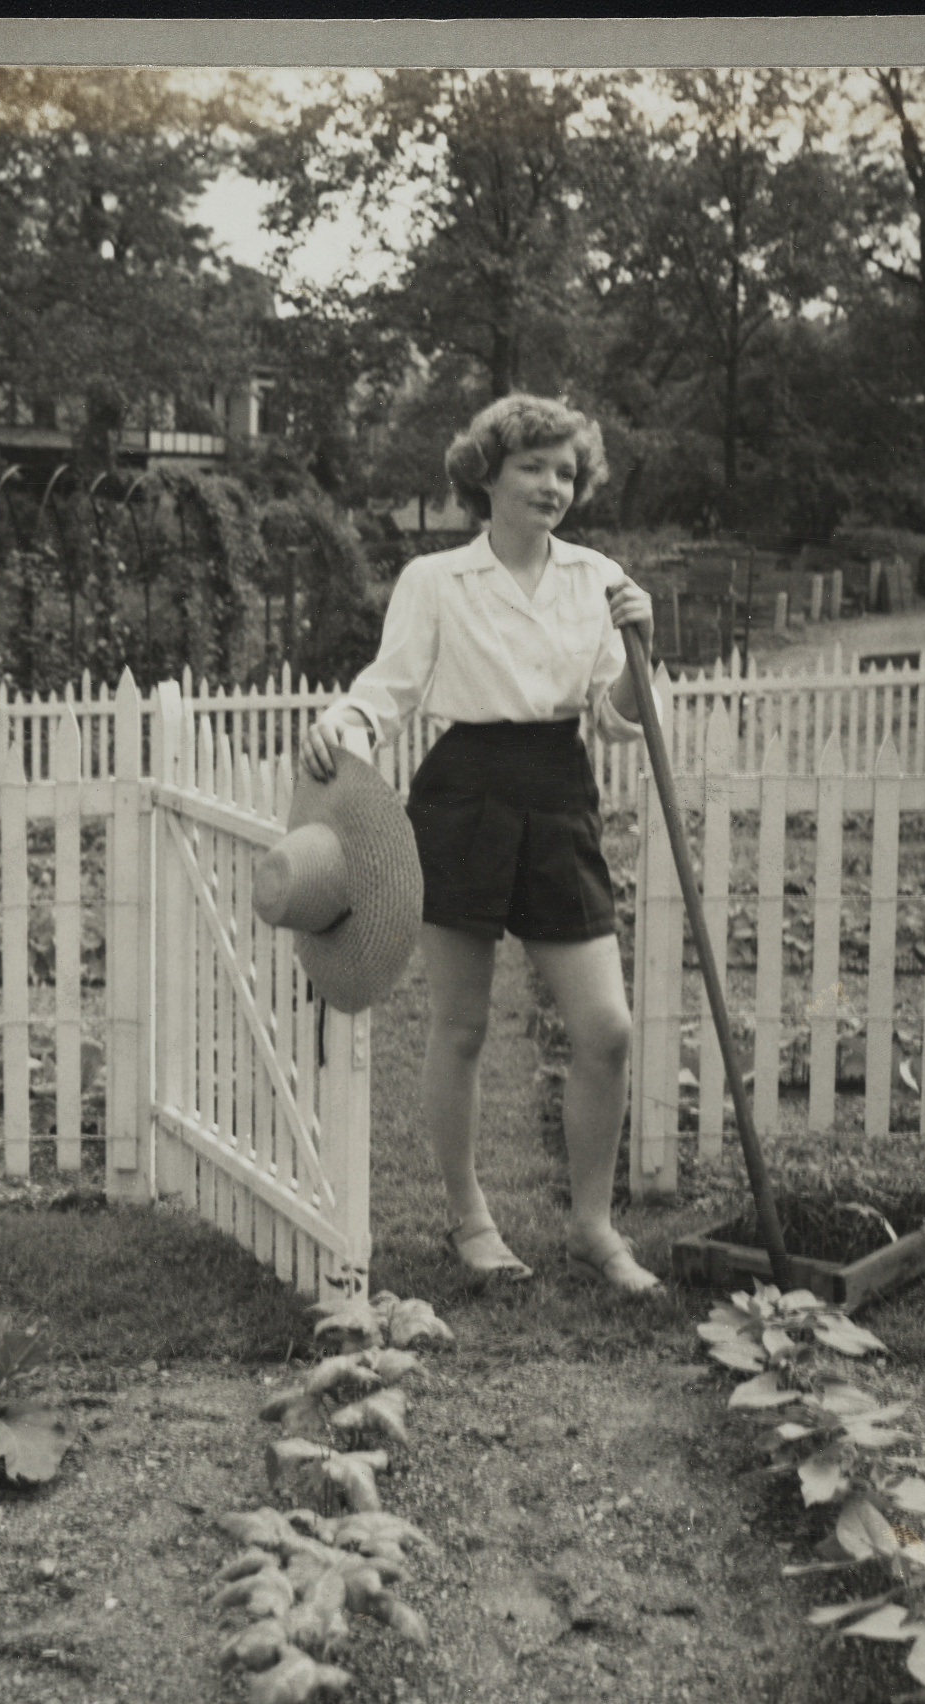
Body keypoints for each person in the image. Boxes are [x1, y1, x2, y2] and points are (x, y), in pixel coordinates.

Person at [302, 393, 663, 1294]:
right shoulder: (436, 580)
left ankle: (590, 1224)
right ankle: (469, 1219)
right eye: (534, 467)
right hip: (462, 795)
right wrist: (338, 725)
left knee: (605, 1029)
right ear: (488, 475)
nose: (552, 486)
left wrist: (644, 644)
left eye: (566, 472)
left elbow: (618, 723)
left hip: (557, 791)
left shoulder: (596, 579)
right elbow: (388, 689)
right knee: (459, 1027)